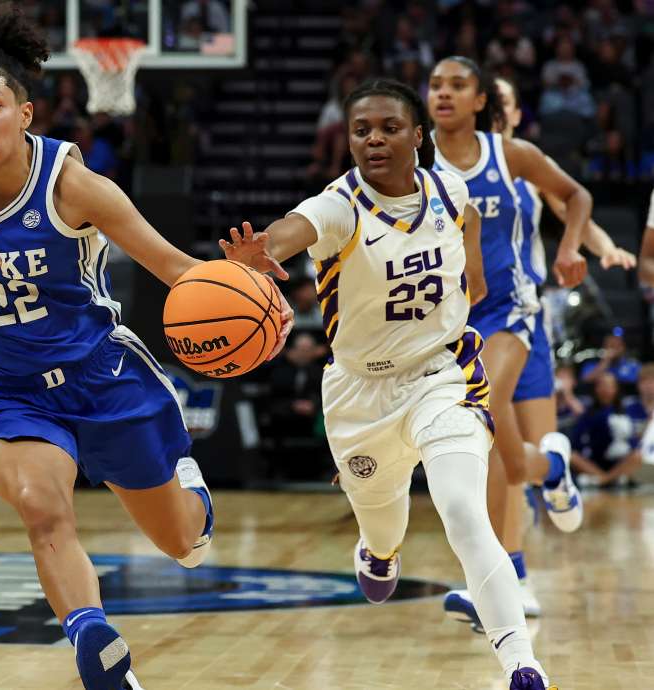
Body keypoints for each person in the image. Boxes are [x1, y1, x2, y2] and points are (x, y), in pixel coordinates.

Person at [0, 5, 291, 688]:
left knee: (183, 546)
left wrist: (244, 281)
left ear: (25, 114)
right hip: (10, 392)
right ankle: (97, 650)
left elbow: (173, 268)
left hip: (103, 378)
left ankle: (190, 495)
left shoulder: (75, 186)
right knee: (42, 507)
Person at [226, 77, 555, 689]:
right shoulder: (339, 206)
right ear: (348, 141)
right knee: (384, 525)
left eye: (389, 128)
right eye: (361, 130)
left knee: (463, 509)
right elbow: (293, 229)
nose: (374, 139)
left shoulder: (448, 189)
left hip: (441, 377)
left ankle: (522, 663)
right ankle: (378, 551)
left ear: (418, 136)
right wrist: (263, 249)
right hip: (359, 397)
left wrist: (464, 291)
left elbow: (471, 246)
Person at [442, 74, 636, 627]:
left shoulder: (520, 164)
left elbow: (577, 206)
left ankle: (512, 563)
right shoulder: (441, 164)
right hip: (467, 322)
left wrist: (601, 247)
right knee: (499, 450)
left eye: (500, 97)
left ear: (509, 109)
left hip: (523, 319)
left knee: (500, 445)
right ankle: (518, 556)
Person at [428, 57, 589, 552]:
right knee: (505, 456)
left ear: (480, 101)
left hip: (510, 308)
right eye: (435, 85)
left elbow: (575, 194)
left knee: (484, 410)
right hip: (449, 319)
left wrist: (569, 248)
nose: (444, 93)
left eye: (458, 85)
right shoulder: (414, 165)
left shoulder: (510, 154)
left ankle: (503, 571)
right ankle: (551, 468)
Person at [570, 371, 643, 486]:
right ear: (596, 389)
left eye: (609, 386)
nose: (606, 390)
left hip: (618, 462)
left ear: (616, 389)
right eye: (602, 385)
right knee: (572, 457)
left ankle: (604, 480)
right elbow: (577, 444)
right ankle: (611, 479)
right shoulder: (588, 414)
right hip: (594, 463)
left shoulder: (626, 413)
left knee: (637, 456)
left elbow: (632, 442)